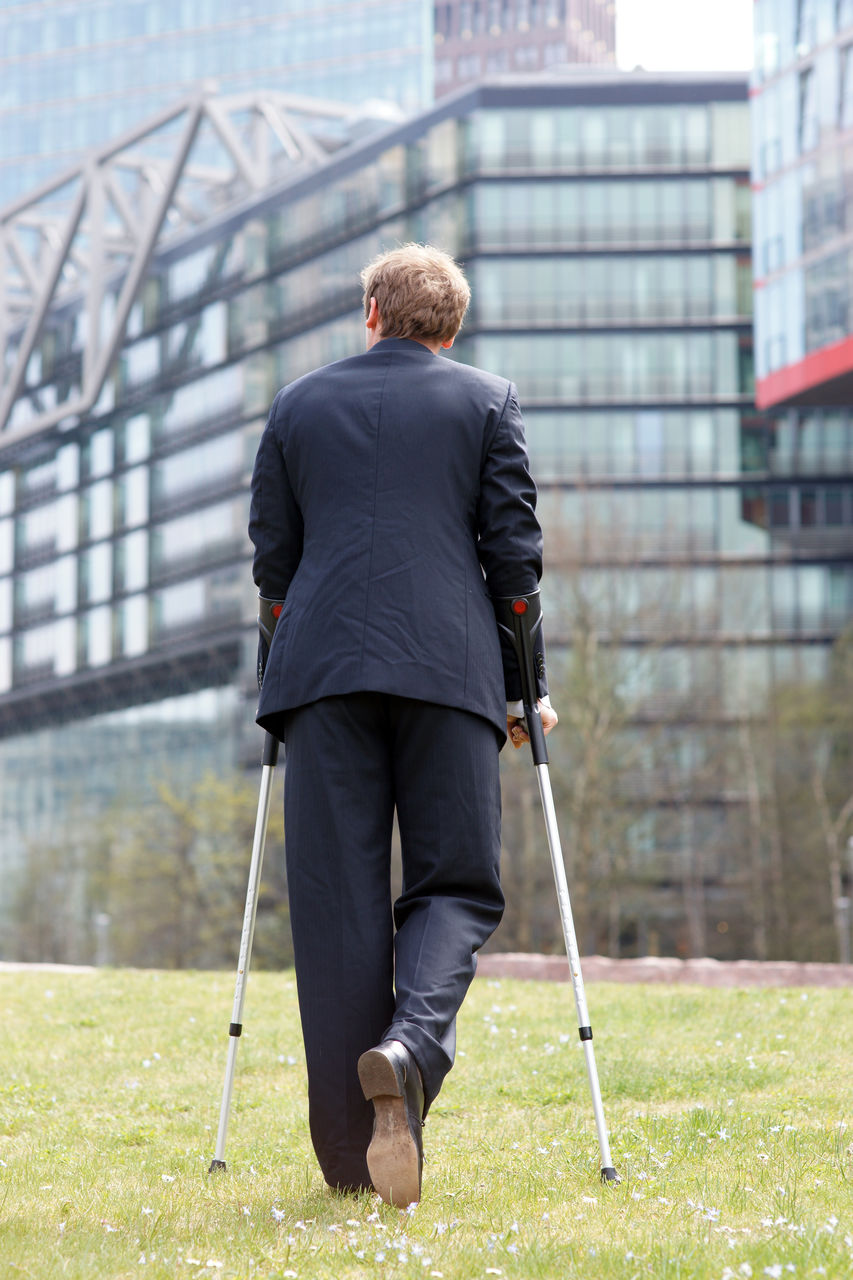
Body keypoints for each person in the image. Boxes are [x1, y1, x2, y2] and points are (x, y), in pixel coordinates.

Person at [248, 243, 557, 1207]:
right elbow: (514, 562)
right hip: (447, 670)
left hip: (324, 678)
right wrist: (526, 689)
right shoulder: (487, 400)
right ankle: (409, 1046)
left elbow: (274, 562)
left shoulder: (296, 404)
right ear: (450, 328)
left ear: (371, 314)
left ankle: (350, 1162)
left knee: (337, 910)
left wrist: (278, 675)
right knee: (455, 883)